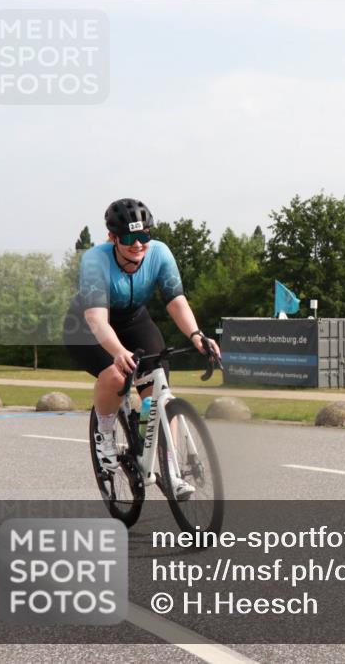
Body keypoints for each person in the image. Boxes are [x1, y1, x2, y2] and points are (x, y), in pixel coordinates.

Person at [63, 198, 220, 496]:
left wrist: (197, 335)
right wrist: (118, 352)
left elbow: (176, 301)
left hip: (135, 321)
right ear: (113, 238)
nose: (139, 244)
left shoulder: (160, 253)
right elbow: (97, 320)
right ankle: (105, 435)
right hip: (88, 327)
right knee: (116, 375)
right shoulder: (96, 260)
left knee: (159, 393)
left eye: (144, 236)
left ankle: (170, 469)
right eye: (129, 238)